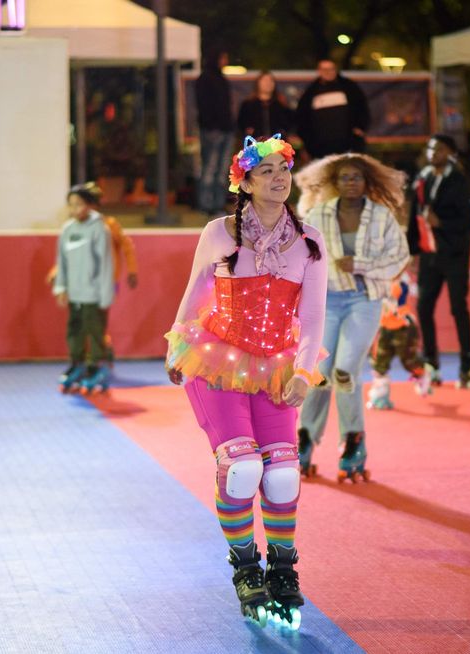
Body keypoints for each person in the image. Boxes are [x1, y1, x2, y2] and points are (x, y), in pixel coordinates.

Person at [164, 135, 327, 629]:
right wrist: (176, 347)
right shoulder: (219, 232)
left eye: (285, 169)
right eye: (268, 171)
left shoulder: (311, 239)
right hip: (218, 362)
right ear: (246, 182)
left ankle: (281, 567)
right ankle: (245, 566)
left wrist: (303, 371)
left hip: (277, 367)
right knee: (240, 468)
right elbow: (195, 293)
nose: (280, 178)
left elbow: (314, 316)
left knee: (281, 474)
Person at [293, 152, 410, 482]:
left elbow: (399, 257)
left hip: (364, 301)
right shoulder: (318, 214)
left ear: (366, 182)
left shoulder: (382, 217)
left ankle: (353, 443)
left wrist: (360, 265)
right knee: (317, 373)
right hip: (326, 302)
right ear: (335, 182)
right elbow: (301, 256)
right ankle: (304, 440)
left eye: (357, 177)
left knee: (344, 372)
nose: (350, 182)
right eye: (344, 177)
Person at [406, 134, 470, 388]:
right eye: (429, 147)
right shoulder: (423, 178)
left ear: (450, 152)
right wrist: (412, 250)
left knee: (458, 308)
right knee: (424, 308)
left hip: (455, 255)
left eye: (438, 148)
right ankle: (430, 362)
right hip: (429, 255)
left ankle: (467, 363)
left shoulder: (459, 181)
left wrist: (442, 224)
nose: (432, 152)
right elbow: (415, 217)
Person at [47, 182, 138, 370]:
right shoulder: (72, 229)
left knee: (96, 320)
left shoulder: (107, 226)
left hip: (107, 279)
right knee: (83, 321)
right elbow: (69, 257)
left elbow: (126, 246)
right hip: (81, 282)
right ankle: (86, 358)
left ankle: (100, 356)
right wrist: (57, 274)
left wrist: (132, 270)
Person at [53, 185, 115, 394]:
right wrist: (61, 287)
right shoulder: (67, 230)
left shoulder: (99, 228)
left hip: (94, 295)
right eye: (71, 205)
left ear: (89, 205)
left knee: (95, 332)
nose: (74, 209)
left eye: (79, 204)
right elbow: (62, 262)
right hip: (75, 295)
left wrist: (105, 295)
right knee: (74, 331)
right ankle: (77, 363)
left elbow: (105, 264)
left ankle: (96, 366)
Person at [366, 274, 432, 411]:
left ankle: (422, 373)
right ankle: (380, 396)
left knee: (409, 362)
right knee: (379, 361)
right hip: (384, 328)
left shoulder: (400, 281)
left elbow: (396, 293)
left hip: (403, 328)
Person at [295, 59, 370, 159]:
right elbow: (302, 117)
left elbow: (362, 108)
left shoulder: (350, 87)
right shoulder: (310, 92)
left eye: (331, 69)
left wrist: (360, 127)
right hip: (320, 147)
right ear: (319, 71)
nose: (328, 72)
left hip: (348, 144)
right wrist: (308, 140)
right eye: (325, 69)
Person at [196, 51, 236, 216]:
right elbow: (204, 106)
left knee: (221, 169)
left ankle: (217, 204)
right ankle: (206, 204)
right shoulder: (206, 79)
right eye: (223, 57)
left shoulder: (221, 79)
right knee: (211, 167)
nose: (226, 61)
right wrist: (212, 125)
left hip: (224, 129)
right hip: (213, 130)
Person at [237, 71, 295, 140]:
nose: (268, 83)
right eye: (264, 80)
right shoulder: (248, 105)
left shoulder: (281, 105)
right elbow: (242, 124)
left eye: (271, 80)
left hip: (277, 146)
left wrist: (284, 132)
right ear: (258, 83)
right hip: (256, 146)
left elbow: (290, 124)